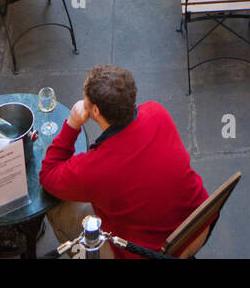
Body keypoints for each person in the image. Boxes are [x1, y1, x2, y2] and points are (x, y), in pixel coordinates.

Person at [40, 64, 208, 258]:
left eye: (85, 98)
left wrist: (72, 124)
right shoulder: (157, 111)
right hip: (196, 227)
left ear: (95, 111)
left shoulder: (95, 168)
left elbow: (48, 176)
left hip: (151, 253)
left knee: (55, 207)